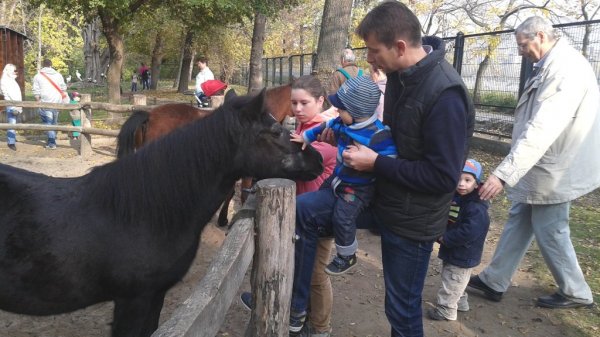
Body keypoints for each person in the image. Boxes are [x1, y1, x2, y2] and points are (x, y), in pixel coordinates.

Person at [335, 2, 474, 336]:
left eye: (372, 50)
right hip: (388, 199)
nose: (368, 59)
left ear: (399, 47)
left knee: (402, 309)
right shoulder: (401, 77)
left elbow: (442, 177)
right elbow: (398, 138)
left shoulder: (445, 94)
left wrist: (376, 162)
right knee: (309, 214)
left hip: (413, 219)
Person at [468, 16, 600, 310]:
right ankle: (495, 279)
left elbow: (543, 127)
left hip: (555, 166)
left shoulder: (565, 70)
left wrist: (503, 175)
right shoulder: (554, 64)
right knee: (521, 218)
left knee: (551, 227)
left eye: (522, 44)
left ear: (540, 36)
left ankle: (576, 291)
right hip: (543, 165)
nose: (520, 52)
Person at [241, 75, 337, 337]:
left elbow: (300, 162)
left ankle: (320, 328)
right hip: (296, 212)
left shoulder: (327, 133)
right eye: (293, 103)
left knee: (316, 273)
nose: (297, 109)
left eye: (304, 103)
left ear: (320, 101)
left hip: (318, 217)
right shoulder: (300, 130)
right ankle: (293, 312)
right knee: (296, 266)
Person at [291, 75, 396, 279]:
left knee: (343, 216)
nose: (337, 111)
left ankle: (347, 254)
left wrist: (374, 162)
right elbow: (324, 127)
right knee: (321, 196)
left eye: (342, 108)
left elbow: (390, 159)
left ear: (356, 112)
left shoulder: (377, 136)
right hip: (338, 180)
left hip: (358, 188)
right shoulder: (342, 123)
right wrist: (306, 137)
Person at [427, 159, 490, 321]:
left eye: (467, 180)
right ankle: (460, 302)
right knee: (456, 280)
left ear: (477, 184)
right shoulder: (459, 198)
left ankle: (446, 310)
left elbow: (469, 231)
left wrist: (445, 238)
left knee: (452, 280)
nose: (462, 184)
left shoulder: (476, 207)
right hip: (455, 249)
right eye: (458, 179)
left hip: (463, 251)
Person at [32, 59, 68, 149]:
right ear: (51, 65)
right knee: (54, 122)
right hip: (57, 101)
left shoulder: (38, 76)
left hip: (45, 102)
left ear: (43, 66)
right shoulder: (58, 75)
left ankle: (52, 143)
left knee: (48, 123)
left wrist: (38, 101)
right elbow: (63, 88)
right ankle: (51, 139)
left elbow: (36, 91)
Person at [1, 63, 23, 151]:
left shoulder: (10, 80)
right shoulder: (6, 81)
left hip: (15, 103)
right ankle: (11, 142)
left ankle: (12, 139)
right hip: (12, 104)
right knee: (12, 123)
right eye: (14, 70)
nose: (15, 72)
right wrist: (17, 105)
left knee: (13, 123)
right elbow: (9, 94)